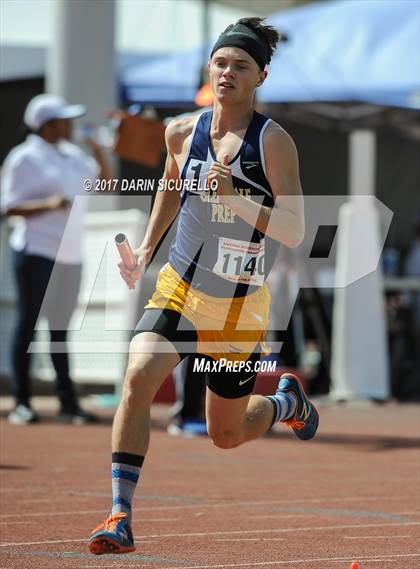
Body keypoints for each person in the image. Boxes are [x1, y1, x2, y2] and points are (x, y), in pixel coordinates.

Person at [89, 17, 319, 555]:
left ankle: (286, 404)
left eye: (241, 66)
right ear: (208, 68)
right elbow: (171, 184)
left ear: (260, 77)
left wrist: (236, 196)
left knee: (226, 434)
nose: (228, 73)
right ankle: (120, 514)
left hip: (237, 306)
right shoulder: (180, 132)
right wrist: (149, 247)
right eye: (220, 63)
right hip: (180, 287)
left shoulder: (273, 143)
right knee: (139, 376)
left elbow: (294, 228)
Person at [1, 94, 112, 425]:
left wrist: (99, 150)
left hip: (69, 254)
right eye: (64, 119)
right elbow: (7, 206)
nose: (70, 124)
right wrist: (49, 203)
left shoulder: (73, 156)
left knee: (62, 330)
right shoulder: (23, 158)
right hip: (36, 251)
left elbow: (104, 185)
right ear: (47, 124)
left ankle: (68, 403)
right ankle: (22, 402)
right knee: (28, 326)